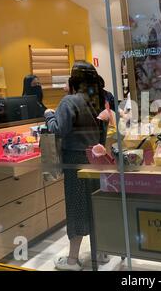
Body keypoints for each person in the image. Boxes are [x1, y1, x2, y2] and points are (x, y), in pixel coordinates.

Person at [44, 61, 107, 271]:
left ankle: (72, 260)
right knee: (94, 205)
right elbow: (103, 133)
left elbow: (59, 129)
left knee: (77, 207)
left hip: (74, 160)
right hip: (95, 158)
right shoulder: (98, 99)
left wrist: (49, 115)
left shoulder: (69, 101)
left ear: (73, 79)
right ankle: (101, 252)